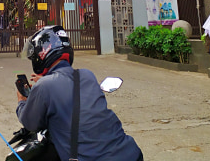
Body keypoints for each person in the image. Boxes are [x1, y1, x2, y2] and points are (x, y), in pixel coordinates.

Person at [16, 26, 143, 161]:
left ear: (42, 54)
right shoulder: (87, 75)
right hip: (131, 153)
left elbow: (29, 123)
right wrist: (46, 81)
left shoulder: (45, 86)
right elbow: (68, 87)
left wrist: (22, 101)